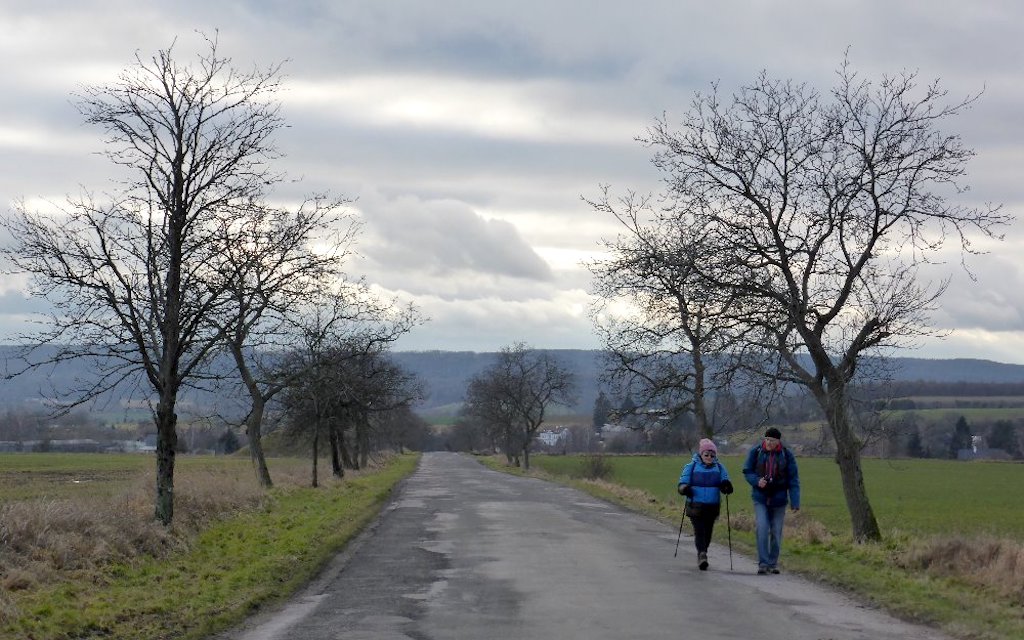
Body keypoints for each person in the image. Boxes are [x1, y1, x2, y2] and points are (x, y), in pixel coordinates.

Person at [742, 427, 800, 575]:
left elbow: (793, 480)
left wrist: (795, 502)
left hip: (779, 499)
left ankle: (772, 563)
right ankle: (763, 563)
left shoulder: (787, 455)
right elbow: (747, 470)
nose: (768, 442)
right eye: (766, 439)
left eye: (772, 440)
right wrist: (756, 481)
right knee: (762, 528)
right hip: (760, 498)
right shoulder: (756, 452)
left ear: (778, 441)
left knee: (776, 531)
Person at [677, 438, 734, 571]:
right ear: (701, 455)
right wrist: (685, 489)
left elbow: (725, 481)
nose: (709, 457)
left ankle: (703, 552)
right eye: (706, 454)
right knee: (699, 531)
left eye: (712, 455)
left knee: (708, 532)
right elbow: (682, 483)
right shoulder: (691, 466)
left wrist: (726, 486)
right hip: (695, 505)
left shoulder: (720, 467)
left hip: (712, 506)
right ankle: (702, 554)